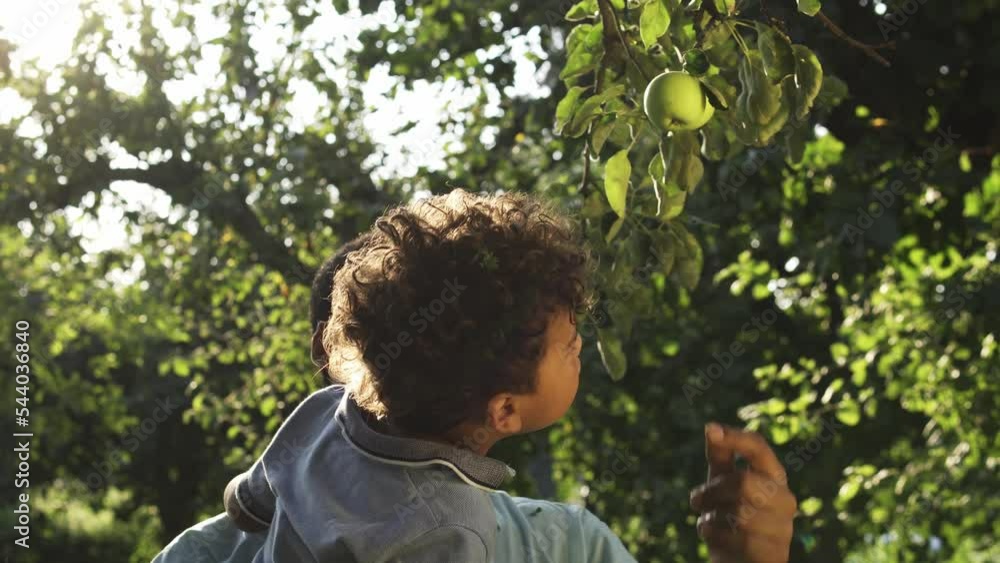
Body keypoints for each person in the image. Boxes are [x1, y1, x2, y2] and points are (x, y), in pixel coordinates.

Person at [155, 189, 797, 562]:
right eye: (570, 347)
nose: (581, 350)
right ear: (504, 412)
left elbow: (253, 496)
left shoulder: (325, 417)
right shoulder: (475, 536)